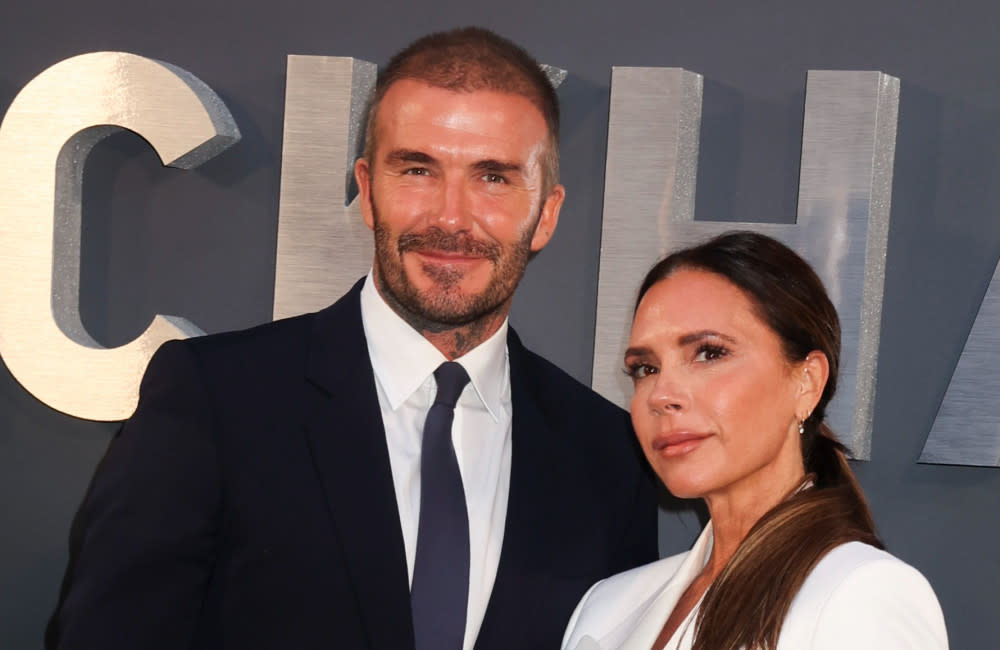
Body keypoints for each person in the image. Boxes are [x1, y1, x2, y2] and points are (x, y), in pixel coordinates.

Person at [50, 27, 658, 650]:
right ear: (368, 192)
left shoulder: (606, 455)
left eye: (493, 178)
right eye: (418, 169)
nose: (450, 217)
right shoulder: (216, 400)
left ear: (547, 214)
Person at [562, 232, 948, 650]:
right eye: (645, 368)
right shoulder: (605, 608)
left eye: (709, 353)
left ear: (807, 382)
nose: (661, 395)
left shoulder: (862, 595)